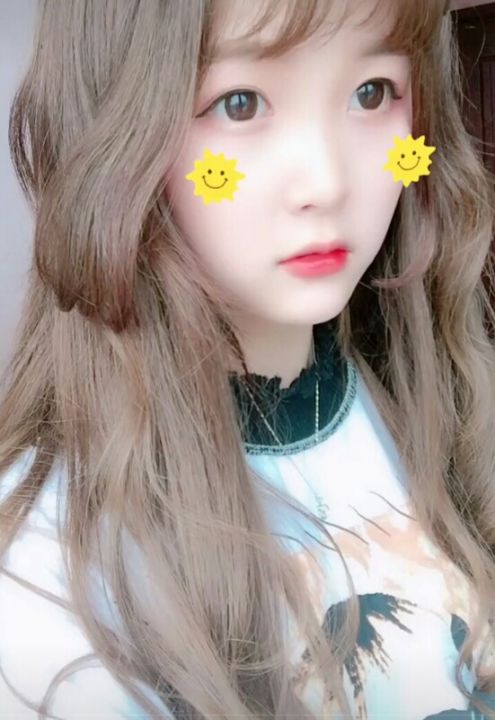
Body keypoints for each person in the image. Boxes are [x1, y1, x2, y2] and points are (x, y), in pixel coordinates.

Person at [1, 0, 495, 718]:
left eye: (372, 93)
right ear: (116, 134)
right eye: (240, 103)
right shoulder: (49, 572)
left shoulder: (450, 406)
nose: (326, 183)